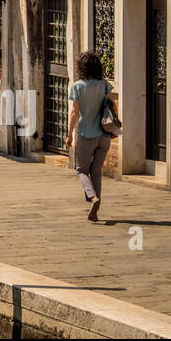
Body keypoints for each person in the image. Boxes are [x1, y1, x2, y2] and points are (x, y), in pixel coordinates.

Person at [66, 50, 119, 222]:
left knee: (81, 170)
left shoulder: (78, 86)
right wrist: (112, 130)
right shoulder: (104, 85)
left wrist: (69, 135)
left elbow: (74, 112)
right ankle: (96, 207)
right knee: (96, 171)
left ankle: (93, 198)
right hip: (104, 135)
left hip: (86, 134)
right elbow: (113, 108)